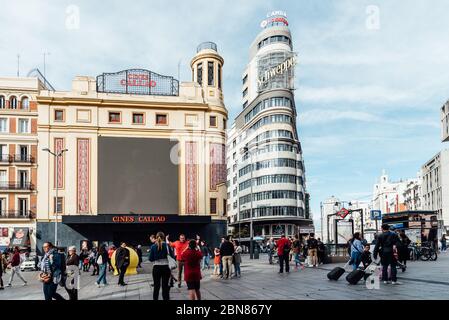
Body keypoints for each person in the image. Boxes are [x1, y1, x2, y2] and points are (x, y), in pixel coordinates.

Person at [149, 232, 174, 300]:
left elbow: (150, 259)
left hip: (156, 267)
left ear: (156, 237)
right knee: (165, 286)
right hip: (166, 267)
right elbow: (172, 256)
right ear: (163, 237)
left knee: (156, 286)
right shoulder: (167, 246)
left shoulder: (153, 246)